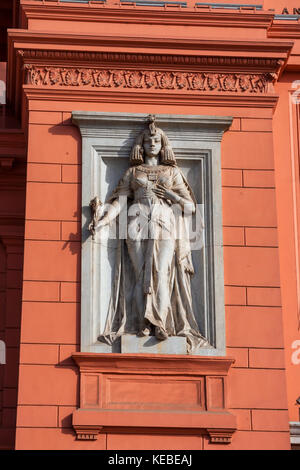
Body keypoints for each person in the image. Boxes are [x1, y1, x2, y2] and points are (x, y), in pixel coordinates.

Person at [93, 115, 208, 353]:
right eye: (148, 141)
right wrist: (104, 220)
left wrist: (171, 195)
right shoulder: (133, 173)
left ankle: (160, 325)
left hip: (164, 224)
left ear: (162, 144)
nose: (152, 144)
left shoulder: (172, 173)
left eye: (156, 140)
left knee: (161, 272)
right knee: (140, 274)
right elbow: (119, 202)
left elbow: (189, 207)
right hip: (136, 224)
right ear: (141, 145)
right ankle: (140, 324)